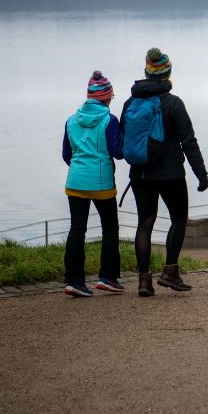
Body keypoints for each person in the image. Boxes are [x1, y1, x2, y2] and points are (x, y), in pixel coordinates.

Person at [121, 48, 208, 297]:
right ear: (167, 73)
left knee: (145, 222)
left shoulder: (130, 103)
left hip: (140, 174)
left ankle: (144, 281)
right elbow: (189, 141)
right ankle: (170, 272)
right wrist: (201, 174)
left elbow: (124, 137)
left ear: (147, 73)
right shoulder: (173, 103)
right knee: (178, 219)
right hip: (170, 174)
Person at [61, 71, 124, 297]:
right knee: (110, 227)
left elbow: (66, 154)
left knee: (77, 229)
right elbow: (118, 152)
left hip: (75, 181)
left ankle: (74, 281)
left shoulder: (71, 120)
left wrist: (81, 167)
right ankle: (108, 277)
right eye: (111, 96)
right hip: (101, 183)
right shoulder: (109, 120)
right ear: (106, 97)